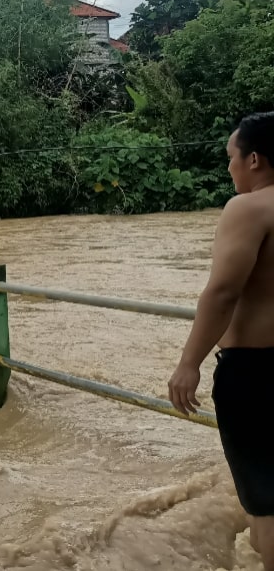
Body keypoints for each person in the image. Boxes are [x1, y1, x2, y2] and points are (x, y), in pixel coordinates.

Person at [169, 112, 274, 570]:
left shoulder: (249, 208)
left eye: (231, 157)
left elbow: (224, 291)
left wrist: (189, 362)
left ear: (253, 159)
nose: (228, 168)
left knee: (267, 502)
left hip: (257, 374)